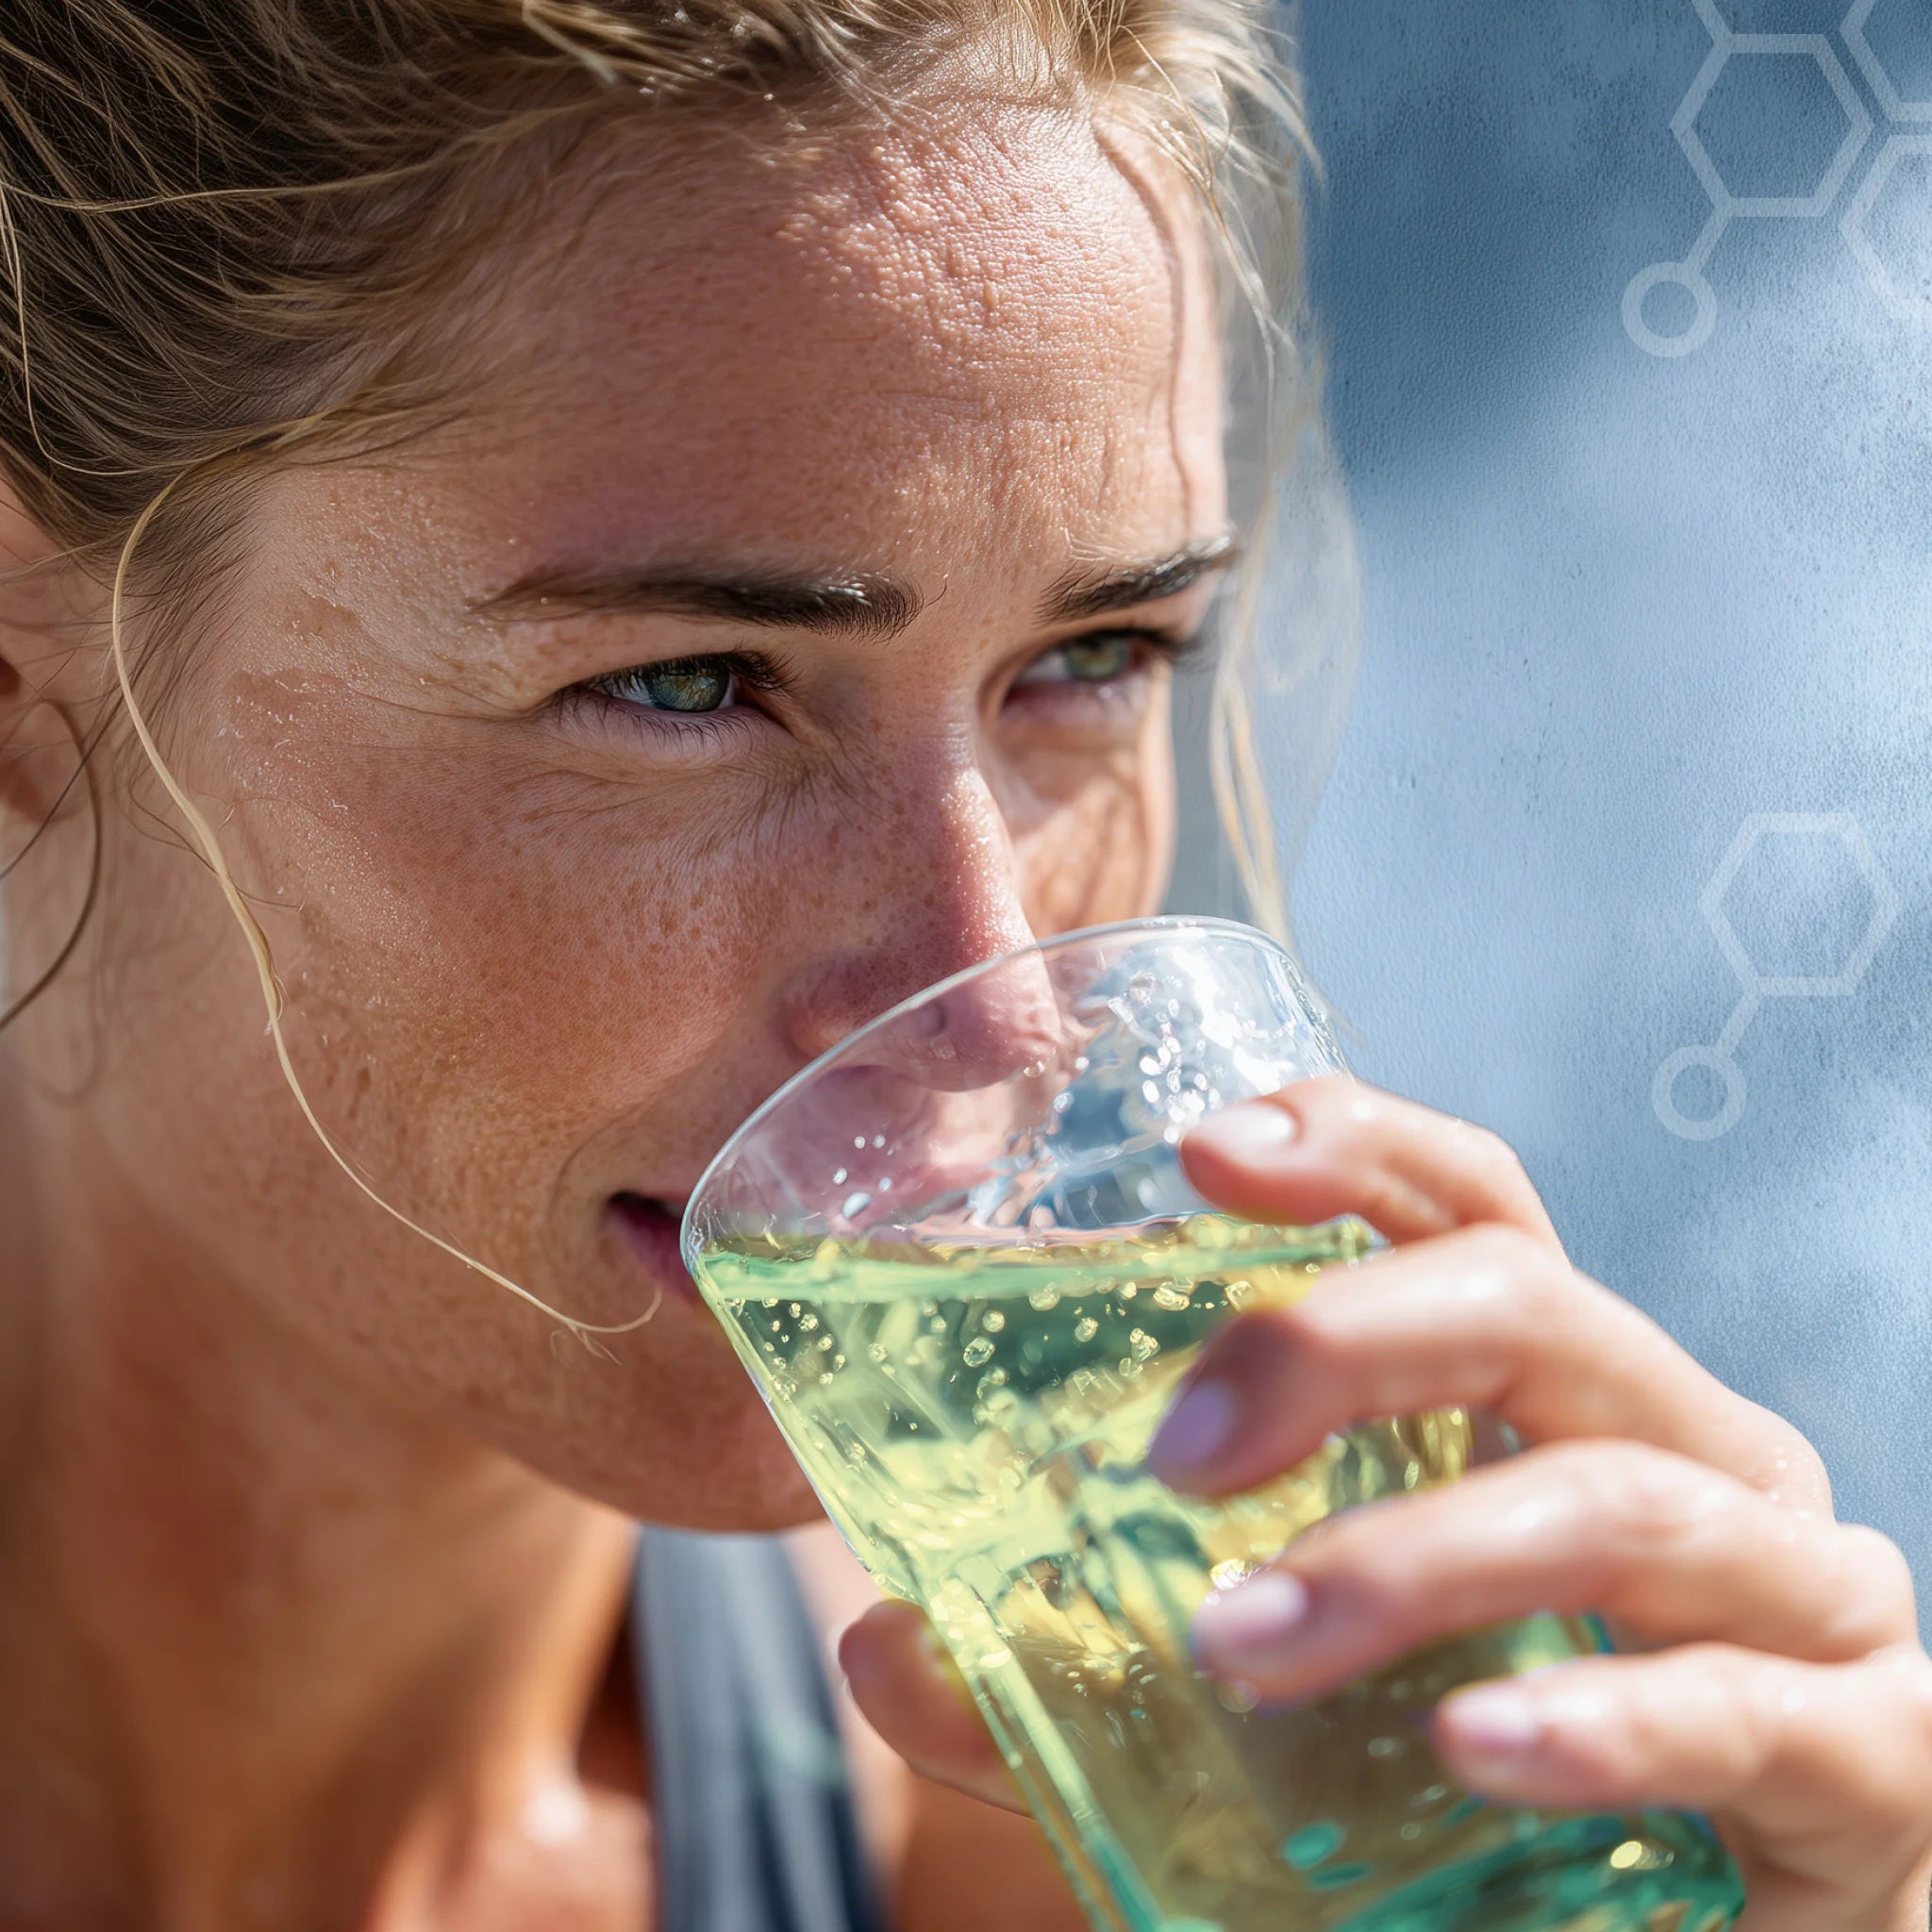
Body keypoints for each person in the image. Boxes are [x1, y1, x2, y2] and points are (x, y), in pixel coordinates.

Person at [0, 4, 1927, 1928]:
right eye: (683, 687)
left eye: (1092, 660)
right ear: (22, 675)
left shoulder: (1142, 1835)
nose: (1001, 1007)